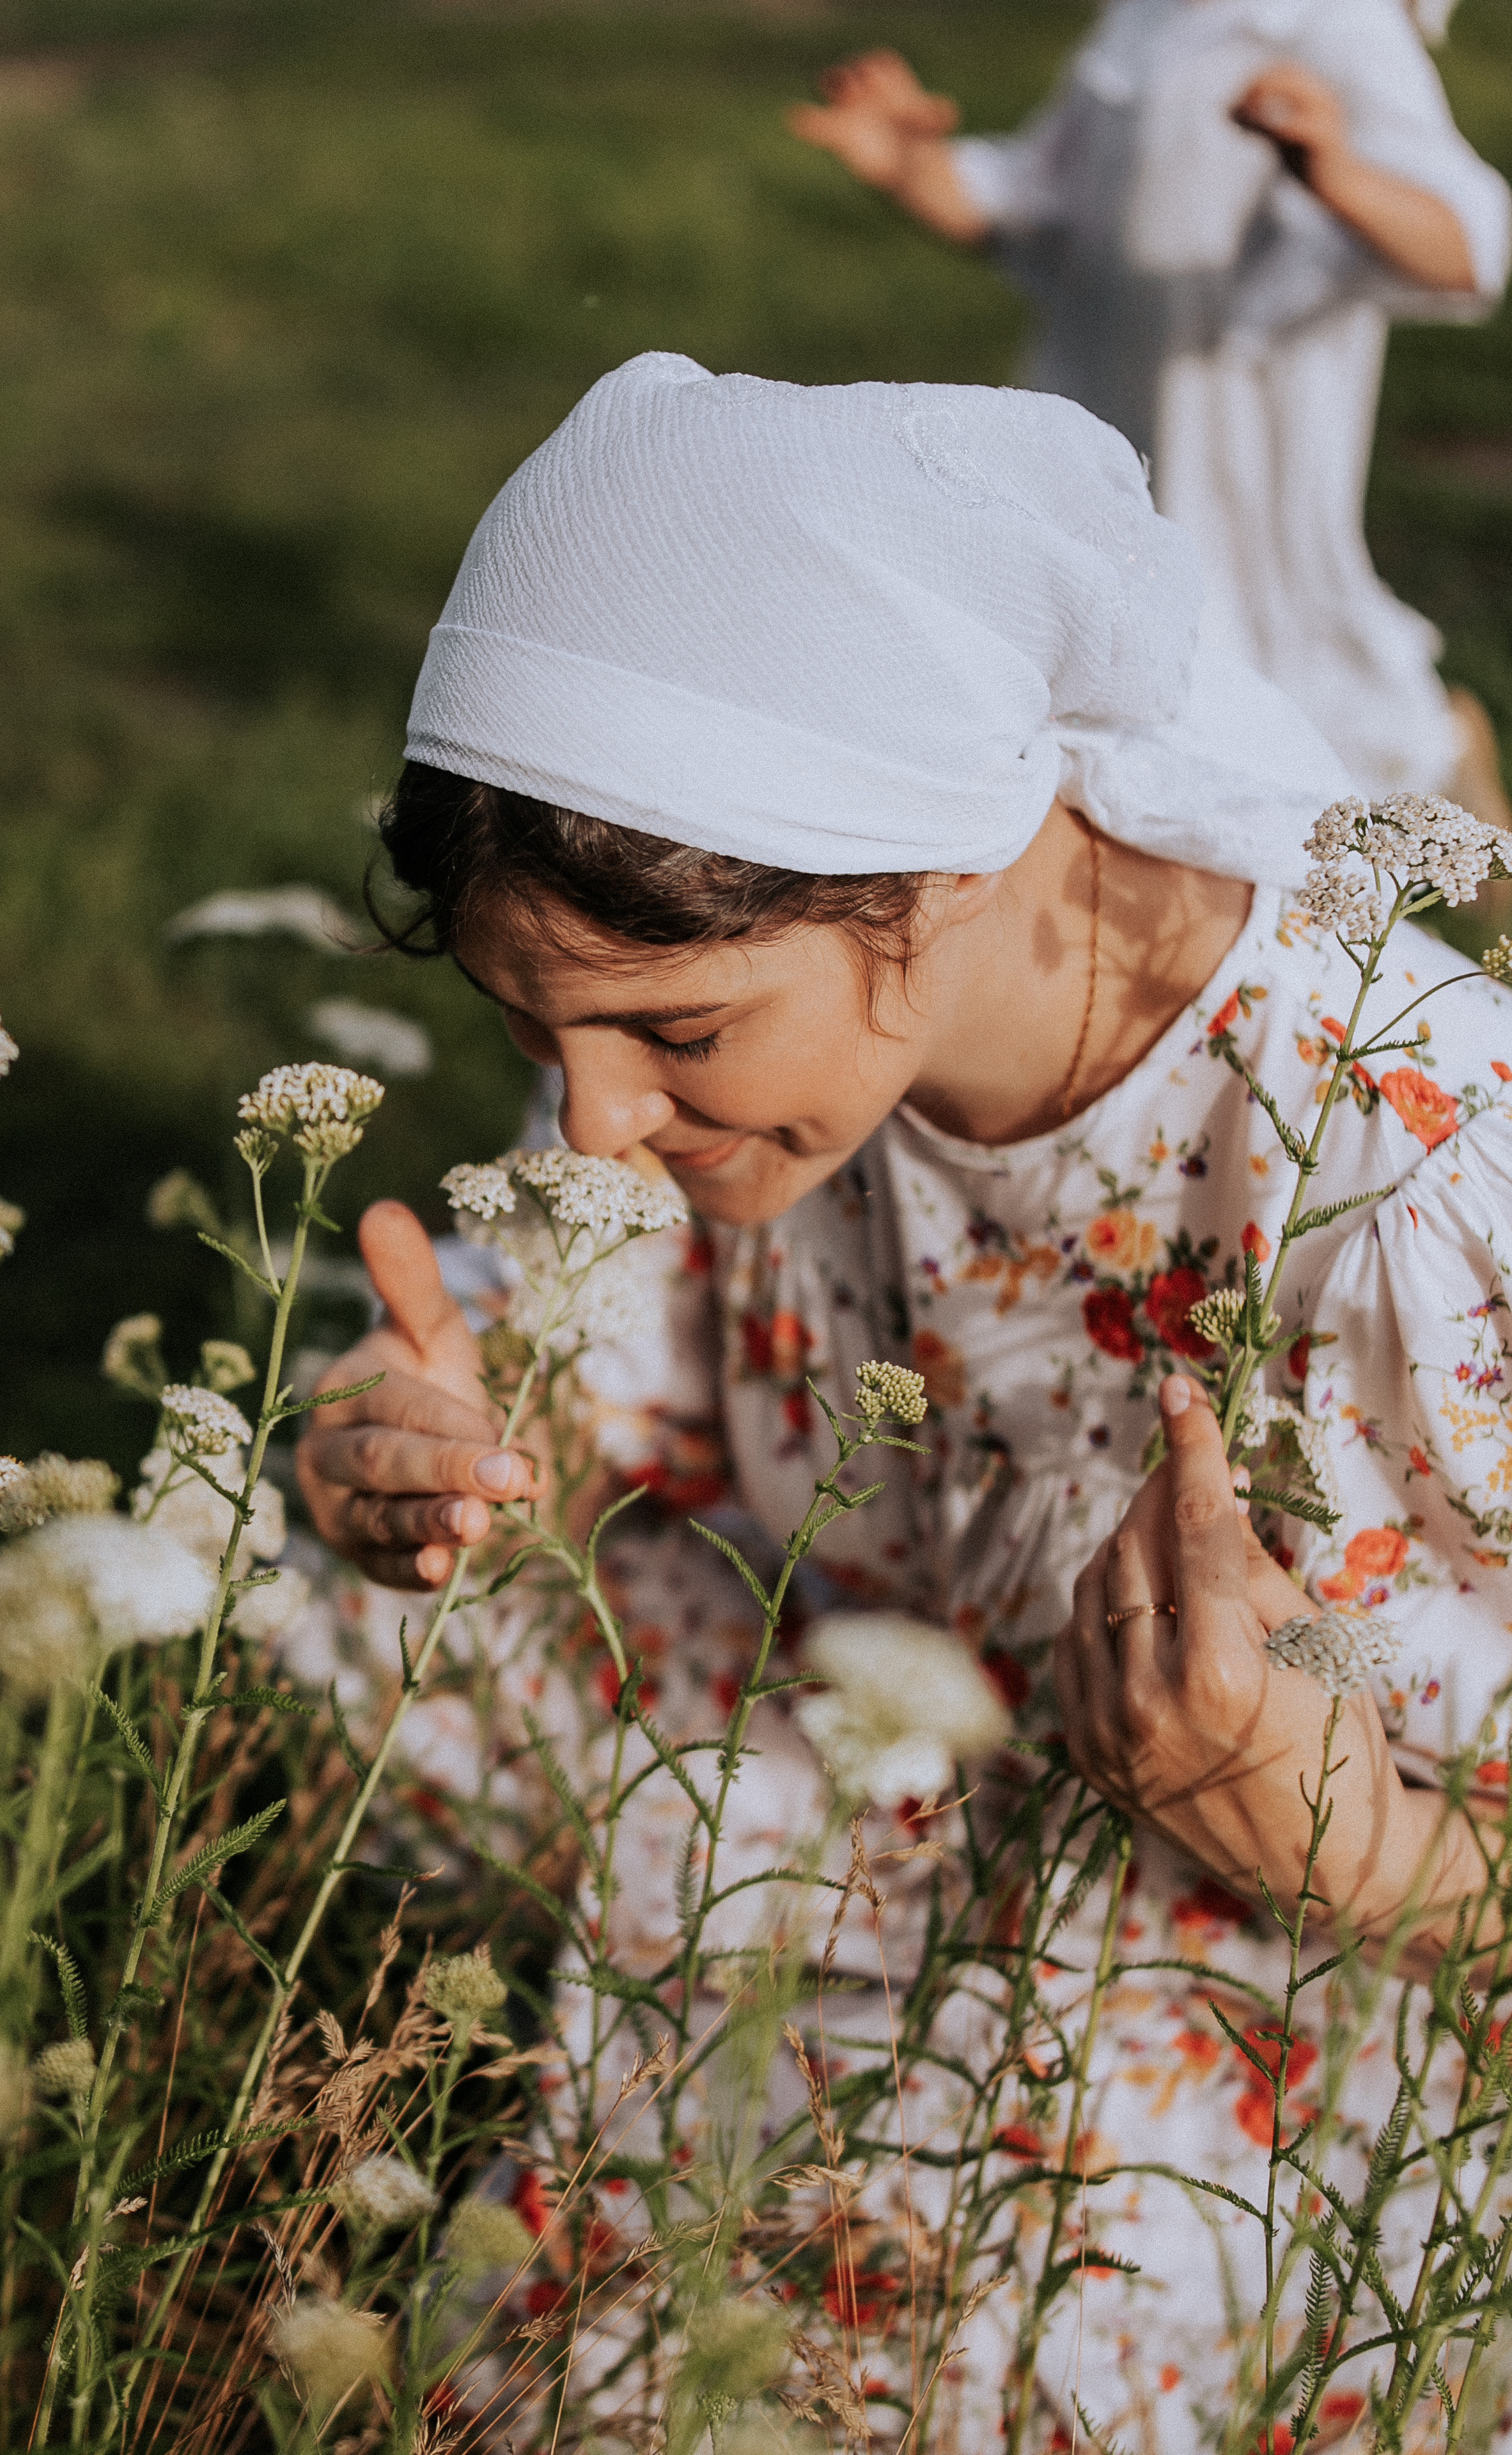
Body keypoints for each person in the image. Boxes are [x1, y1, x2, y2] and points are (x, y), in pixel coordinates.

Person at [298, 356, 1512, 2443]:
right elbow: (592, 1399)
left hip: (1320, 1973)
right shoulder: (733, 1033)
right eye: (538, 1031)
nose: (592, 1127)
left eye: (668, 1032)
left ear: (939, 872)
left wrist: (1362, 1853)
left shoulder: (1414, 1162)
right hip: (877, 1788)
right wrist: (407, 1446)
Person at [788, 2, 1512, 824]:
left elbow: (1469, 249)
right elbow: (1034, 202)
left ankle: (1423, 771)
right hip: (1111, 394)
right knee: (1131, 623)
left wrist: (1336, 172)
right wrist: (907, 164)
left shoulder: (1337, 27)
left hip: (1243, 414)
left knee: (1274, 626)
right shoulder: (1144, 18)